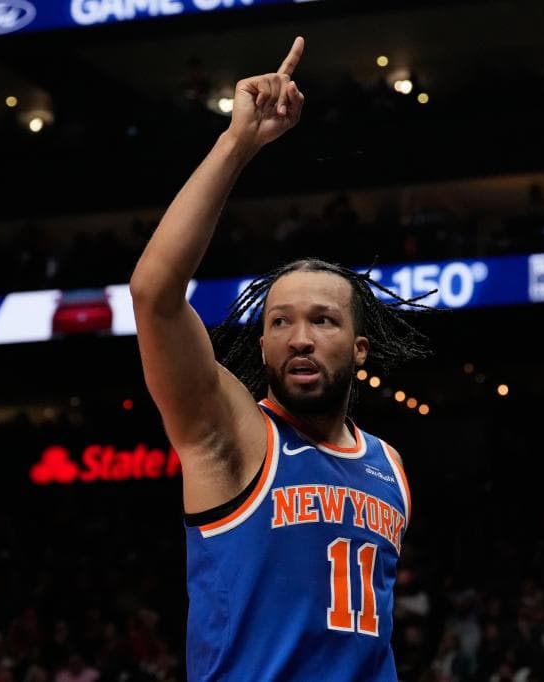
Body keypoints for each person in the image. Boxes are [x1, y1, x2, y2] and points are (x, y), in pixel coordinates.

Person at [129, 37, 432, 681]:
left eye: (322, 320)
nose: (300, 336)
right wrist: (239, 144)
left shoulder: (391, 467)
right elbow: (154, 294)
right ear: (262, 345)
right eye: (281, 322)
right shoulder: (232, 433)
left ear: (357, 349)